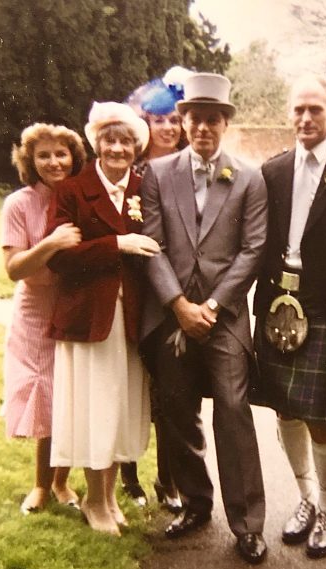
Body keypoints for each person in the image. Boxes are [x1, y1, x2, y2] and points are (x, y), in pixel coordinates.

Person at [140, 72, 268, 564]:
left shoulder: (249, 178)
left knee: (233, 409)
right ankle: (196, 503)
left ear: (224, 123)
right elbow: (152, 246)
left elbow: (254, 249)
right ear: (184, 120)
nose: (202, 127)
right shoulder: (158, 173)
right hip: (172, 313)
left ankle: (248, 523)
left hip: (224, 315)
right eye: (193, 118)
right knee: (175, 406)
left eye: (212, 119)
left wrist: (211, 307)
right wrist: (178, 306)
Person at [252, 75, 326, 558]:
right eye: (298, 109)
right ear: (289, 112)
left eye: (315, 110)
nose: (306, 118)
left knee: (322, 418)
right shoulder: (272, 170)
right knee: (285, 409)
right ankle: (303, 499)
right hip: (278, 299)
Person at [46, 102, 160, 536]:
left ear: (136, 148)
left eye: (126, 141)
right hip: (88, 319)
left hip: (130, 318)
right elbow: (60, 257)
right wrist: (117, 245)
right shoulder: (73, 190)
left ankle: (109, 494)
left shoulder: (142, 190)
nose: (117, 148)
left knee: (118, 407)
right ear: (96, 144)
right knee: (95, 406)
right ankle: (93, 499)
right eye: (109, 140)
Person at [0, 122, 86, 515]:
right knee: (45, 396)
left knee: (68, 396)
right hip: (35, 311)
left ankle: (62, 482)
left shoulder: (81, 197)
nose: (54, 161)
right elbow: (14, 269)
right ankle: (39, 485)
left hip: (74, 305)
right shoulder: (18, 204)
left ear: (74, 158)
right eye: (44, 155)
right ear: (31, 161)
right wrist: (51, 243)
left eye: (61, 153)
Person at [120, 68, 192, 511]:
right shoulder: (129, 168)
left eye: (173, 120)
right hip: (132, 292)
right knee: (130, 386)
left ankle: (170, 478)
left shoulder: (188, 169)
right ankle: (128, 474)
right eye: (158, 119)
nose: (167, 128)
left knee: (171, 393)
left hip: (172, 293)